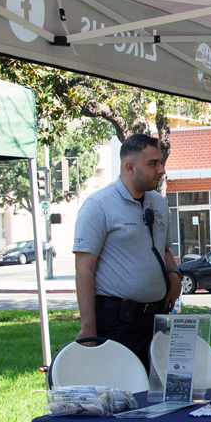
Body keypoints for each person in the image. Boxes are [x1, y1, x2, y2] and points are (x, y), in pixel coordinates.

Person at [72, 133, 181, 370]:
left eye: (160, 162)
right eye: (152, 164)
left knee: (157, 393)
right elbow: (84, 269)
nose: (161, 170)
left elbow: (165, 250)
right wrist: (88, 327)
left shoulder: (159, 203)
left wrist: (174, 274)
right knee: (124, 395)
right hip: (117, 321)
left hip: (156, 319)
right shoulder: (98, 206)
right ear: (129, 167)